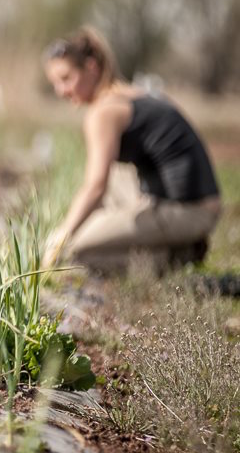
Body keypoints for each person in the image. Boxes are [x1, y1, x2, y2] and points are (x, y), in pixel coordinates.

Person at [41, 26, 221, 272]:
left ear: (91, 68)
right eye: (55, 83)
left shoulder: (103, 113)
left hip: (190, 212)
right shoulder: (133, 94)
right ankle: (161, 242)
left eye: (66, 79)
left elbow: (95, 187)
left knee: (75, 253)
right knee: (112, 176)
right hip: (197, 204)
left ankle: (176, 256)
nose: (61, 91)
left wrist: (60, 238)